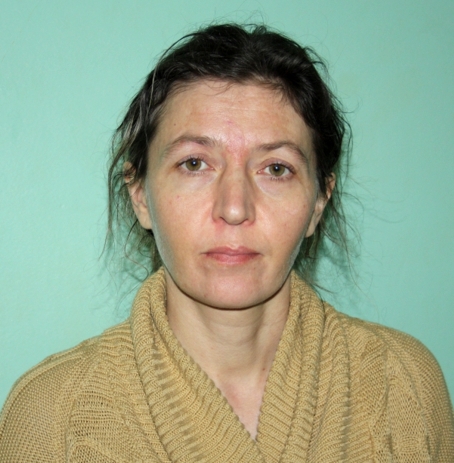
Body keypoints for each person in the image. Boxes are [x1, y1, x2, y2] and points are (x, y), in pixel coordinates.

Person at [0, 23, 453, 462]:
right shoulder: (49, 417)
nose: (235, 208)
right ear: (139, 195)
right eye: (194, 163)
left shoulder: (404, 384)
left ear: (319, 201)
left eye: (276, 169)